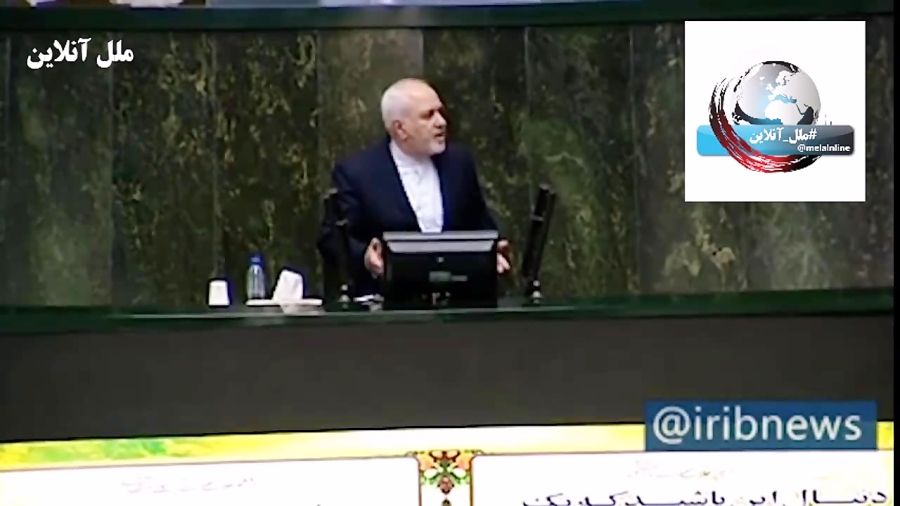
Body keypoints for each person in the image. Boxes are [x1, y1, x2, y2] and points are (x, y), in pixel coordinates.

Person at [317, 78, 510, 297]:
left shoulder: (459, 163)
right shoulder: (358, 172)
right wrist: (366, 257)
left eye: (440, 112)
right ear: (400, 129)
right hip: (388, 301)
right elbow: (332, 238)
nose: (441, 122)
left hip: (456, 298)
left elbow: (479, 223)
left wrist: (492, 252)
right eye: (428, 116)